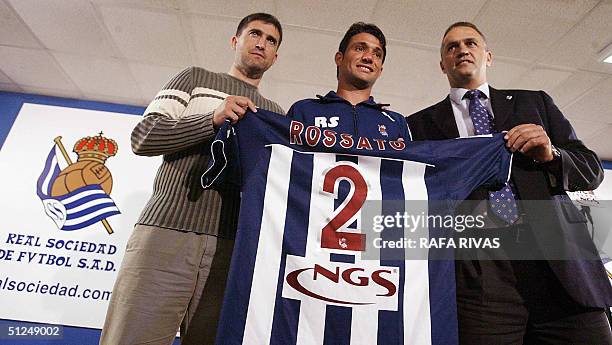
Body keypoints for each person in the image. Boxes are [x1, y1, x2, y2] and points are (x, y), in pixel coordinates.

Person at [407, 21, 612, 344]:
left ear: (488, 56)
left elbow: (591, 170)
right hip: (479, 278)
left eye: (471, 43)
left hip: (559, 267)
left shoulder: (535, 103)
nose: (462, 49)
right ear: (442, 64)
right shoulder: (418, 127)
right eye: (452, 46)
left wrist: (552, 154)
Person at [100, 13, 284, 345]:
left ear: (276, 56)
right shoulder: (194, 78)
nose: (262, 43)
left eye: (271, 40)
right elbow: (143, 137)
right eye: (255, 34)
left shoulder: (275, 113)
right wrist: (212, 120)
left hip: (231, 249)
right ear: (235, 41)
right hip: (165, 234)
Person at [288, 22, 411, 141]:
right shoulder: (304, 111)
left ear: (380, 71)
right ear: (339, 58)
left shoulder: (396, 123)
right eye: (359, 48)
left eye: (377, 54)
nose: (368, 57)